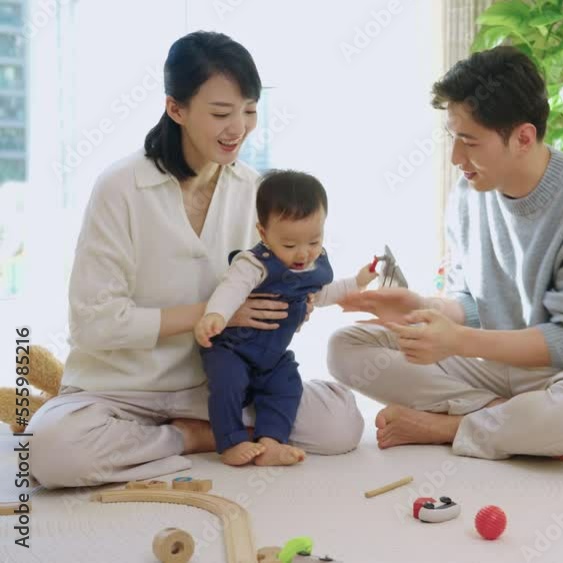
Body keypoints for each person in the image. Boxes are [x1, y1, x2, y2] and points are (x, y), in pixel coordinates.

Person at [26, 32, 364, 488]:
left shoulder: (255, 192)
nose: (238, 128)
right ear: (176, 109)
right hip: (121, 390)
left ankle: (206, 430)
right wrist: (215, 313)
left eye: (249, 111)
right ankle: (191, 437)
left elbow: (276, 281)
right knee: (51, 452)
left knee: (340, 423)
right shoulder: (120, 187)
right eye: (221, 113)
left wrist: (291, 308)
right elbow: (93, 324)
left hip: (219, 385)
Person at [330, 46, 563, 460]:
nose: (455, 158)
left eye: (469, 142)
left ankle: (450, 426)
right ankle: (505, 418)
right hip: (495, 368)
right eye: (453, 138)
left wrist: (458, 341)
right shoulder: (470, 191)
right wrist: (423, 309)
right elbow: (474, 304)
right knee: (346, 348)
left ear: (523, 138)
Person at [194, 170, 377, 467]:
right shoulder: (255, 264)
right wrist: (216, 314)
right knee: (228, 382)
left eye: (314, 241)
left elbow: (323, 294)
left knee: (287, 384)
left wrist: (357, 282)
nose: (303, 254)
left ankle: (270, 441)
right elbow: (231, 289)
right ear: (263, 233)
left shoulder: (313, 266)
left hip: (271, 355)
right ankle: (230, 442)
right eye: (290, 245)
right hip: (233, 349)